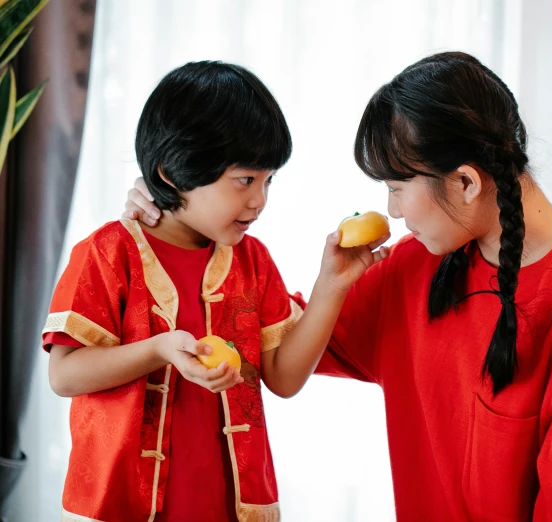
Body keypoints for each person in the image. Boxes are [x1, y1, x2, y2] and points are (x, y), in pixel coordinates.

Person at [126, 52, 552, 521]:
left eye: (397, 188)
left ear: (467, 182)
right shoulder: (416, 268)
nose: (392, 212)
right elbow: (268, 343)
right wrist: (175, 223)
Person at [44, 61, 388, 522]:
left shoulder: (253, 260)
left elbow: (283, 379)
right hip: (120, 505)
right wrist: (160, 350)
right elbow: (64, 375)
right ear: (171, 174)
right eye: (245, 180)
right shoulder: (107, 254)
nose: (259, 199)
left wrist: (332, 284)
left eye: (268, 180)